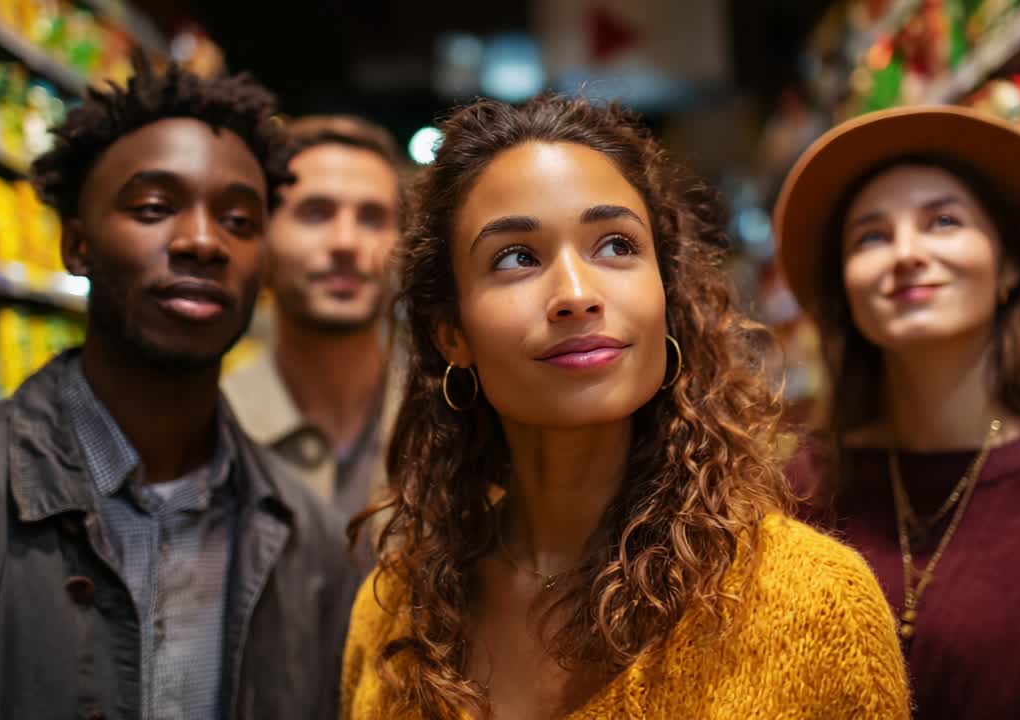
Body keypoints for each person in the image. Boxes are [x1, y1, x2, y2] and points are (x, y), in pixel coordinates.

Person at [341, 94, 910, 719]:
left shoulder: (813, 605)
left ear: (665, 295)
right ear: (452, 332)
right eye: (516, 257)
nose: (577, 295)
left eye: (615, 246)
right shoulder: (394, 610)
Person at [0, 59, 357, 719]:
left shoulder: (311, 545)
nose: (203, 241)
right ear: (77, 246)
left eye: (239, 220)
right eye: (153, 207)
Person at [774, 106, 1020, 718]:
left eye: (943, 221)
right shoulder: (803, 490)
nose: (906, 254)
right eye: (871, 236)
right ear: (846, 288)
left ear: (1009, 268)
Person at [223, 115, 405, 542]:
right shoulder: (211, 431)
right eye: (315, 213)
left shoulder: (457, 428)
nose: (346, 241)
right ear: (263, 233)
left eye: (373, 218)